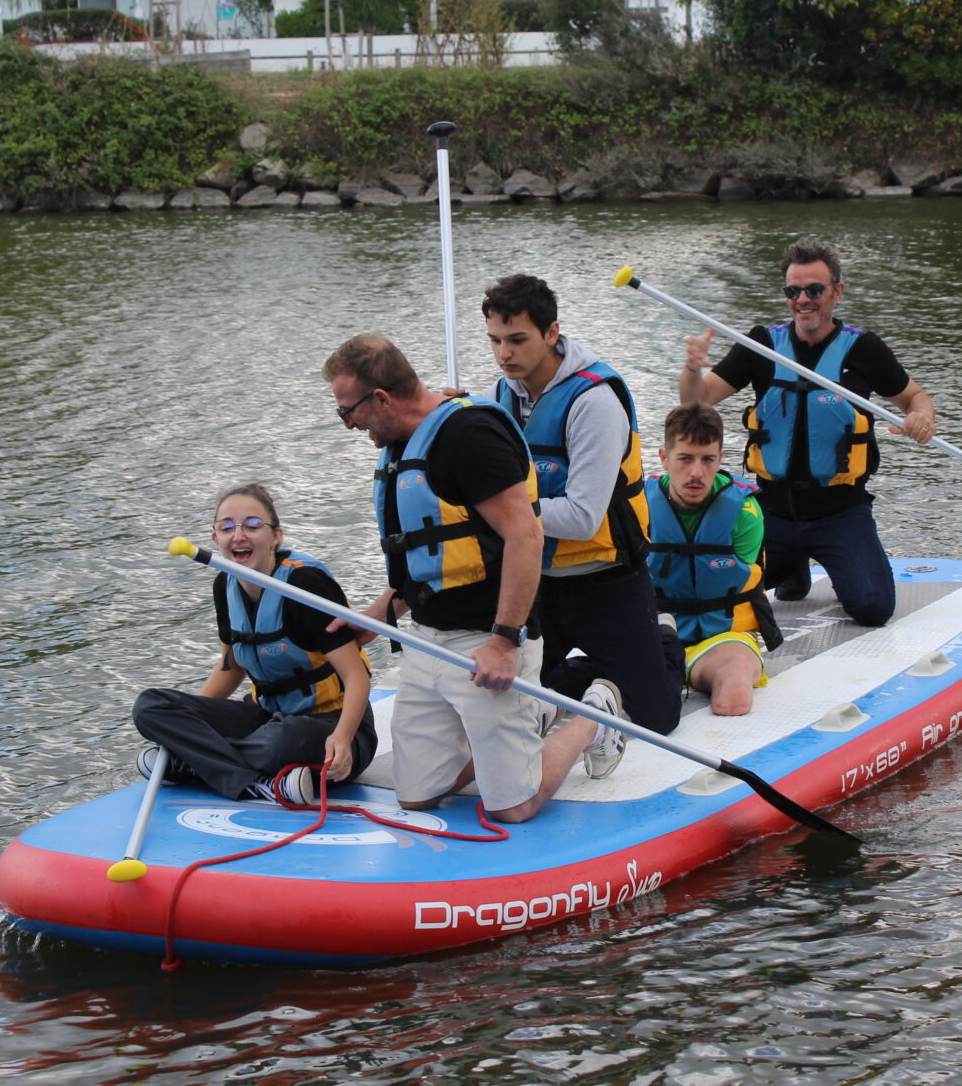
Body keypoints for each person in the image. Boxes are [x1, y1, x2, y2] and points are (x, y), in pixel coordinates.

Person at [323, 334, 624, 823]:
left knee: (514, 807)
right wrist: (376, 619)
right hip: (427, 640)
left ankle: (591, 720)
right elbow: (429, 562)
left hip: (488, 639)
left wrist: (506, 642)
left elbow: (525, 537)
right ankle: (525, 724)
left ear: (380, 398)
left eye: (347, 410)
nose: (347, 423)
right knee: (416, 798)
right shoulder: (401, 446)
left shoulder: (471, 437)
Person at [680, 238, 935, 627]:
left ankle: (823, 562)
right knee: (714, 594)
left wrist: (921, 417)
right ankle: (790, 566)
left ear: (837, 292)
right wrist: (692, 370)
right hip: (771, 510)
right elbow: (695, 403)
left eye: (814, 290)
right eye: (793, 291)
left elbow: (915, 398)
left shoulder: (863, 349)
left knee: (872, 608)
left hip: (840, 511)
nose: (803, 300)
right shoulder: (762, 345)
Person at [481, 274, 683, 735]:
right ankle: (591, 672)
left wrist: (499, 514)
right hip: (534, 581)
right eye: (495, 340)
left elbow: (581, 516)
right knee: (518, 703)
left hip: (606, 581)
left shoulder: (594, 401)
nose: (504, 354)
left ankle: (664, 639)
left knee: (657, 718)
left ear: (552, 333)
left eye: (517, 340)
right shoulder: (500, 396)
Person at [132, 483, 376, 806]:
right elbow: (230, 668)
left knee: (281, 741)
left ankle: (194, 765)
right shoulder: (225, 584)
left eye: (252, 526)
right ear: (215, 538)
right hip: (264, 716)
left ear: (276, 536)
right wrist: (192, 721)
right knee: (150, 706)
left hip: (332, 726)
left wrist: (343, 738)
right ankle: (257, 784)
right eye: (227, 527)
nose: (239, 536)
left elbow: (357, 676)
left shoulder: (305, 587)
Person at [647, 403, 781, 716]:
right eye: (685, 459)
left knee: (734, 698)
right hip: (656, 634)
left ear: (720, 459)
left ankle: (685, 676)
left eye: (708, 460)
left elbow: (734, 578)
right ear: (664, 459)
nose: (696, 473)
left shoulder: (745, 514)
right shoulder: (638, 507)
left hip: (721, 637)